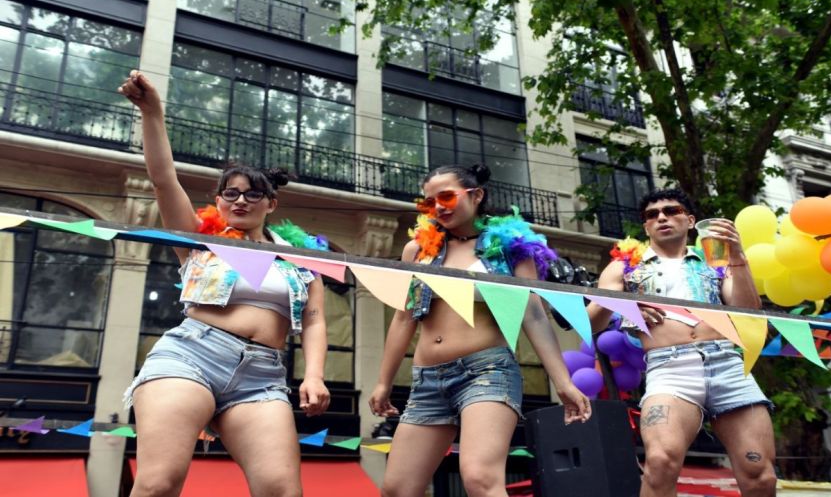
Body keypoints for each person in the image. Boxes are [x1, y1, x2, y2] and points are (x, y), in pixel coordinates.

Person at [119, 70, 330, 497]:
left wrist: (315, 375)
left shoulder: (302, 259)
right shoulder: (200, 240)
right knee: (158, 483)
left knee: (281, 491)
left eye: (252, 194)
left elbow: (314, 320)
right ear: (218, 201)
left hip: (263, 374)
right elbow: (163, 179)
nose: (239, 201)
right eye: (230, 193)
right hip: (191, 356)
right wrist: (153, 114)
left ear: (271, 203)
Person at [369, 164, 592, 497]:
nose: (438, 207)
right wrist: (384, 382)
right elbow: (404, 317)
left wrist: (563, 383)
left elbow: (533, 314)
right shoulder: (418, 250)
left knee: (480, 479)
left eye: (446, 196)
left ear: (476, 195)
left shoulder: (508, 247)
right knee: (397, 488)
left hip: (486, 372)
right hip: (427, 378)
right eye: (429, 202)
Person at [588, 188, 776, 497]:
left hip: (727, 363)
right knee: (660, 462)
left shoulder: (716, 261)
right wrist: (625, 306)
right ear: (645, 226)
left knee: (760, 475)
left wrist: (738, 257)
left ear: (690, 221)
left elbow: (748, 312)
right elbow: (591, 321)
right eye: (652, 215)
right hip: (669, 368)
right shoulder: (624, 266)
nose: (661, 217)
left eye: (671, 211)